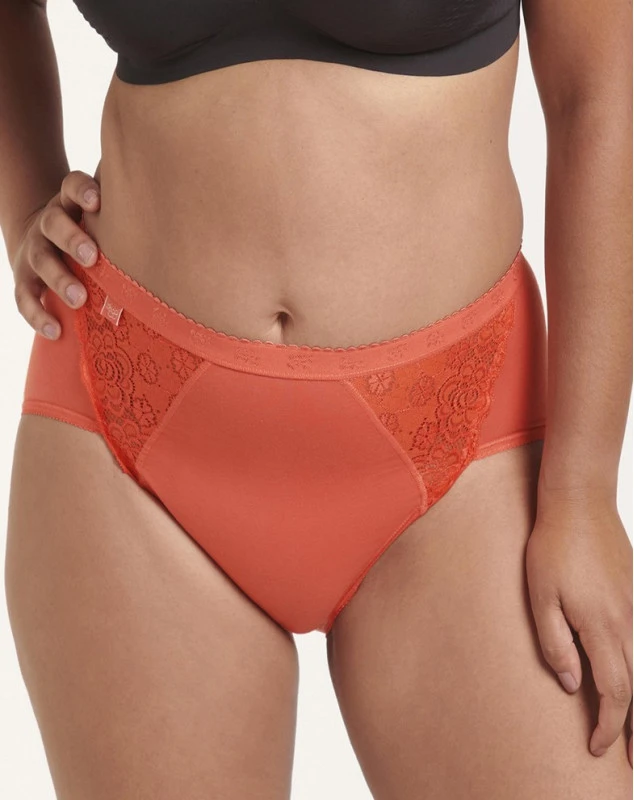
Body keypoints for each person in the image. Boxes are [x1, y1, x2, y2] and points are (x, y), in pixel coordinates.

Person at [1, 0, 632, 797]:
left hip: (464, 452)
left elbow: (598, 94)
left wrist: (584, 491)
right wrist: (25, 207)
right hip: (130, 434)